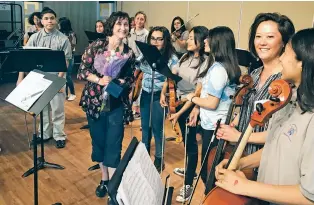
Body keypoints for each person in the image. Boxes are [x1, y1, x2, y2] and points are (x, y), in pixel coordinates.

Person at [215, 27, 314, 205]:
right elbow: (274, 147)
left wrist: (242, 186)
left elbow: (309, 196)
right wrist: (240, 163)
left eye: (287, 53)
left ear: (303, 62)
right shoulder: (288, 100)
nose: (282, 58)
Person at [216, 13, 295, 155]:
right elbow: (248, 107)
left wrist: (239, 136)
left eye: (270, 37)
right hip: (240, 150)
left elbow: (284, 131)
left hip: (264, 156)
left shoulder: (287, 81)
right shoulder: (254, 74)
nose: (262, 42)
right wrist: (232, 125)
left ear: (284, 41)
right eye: (258, 36)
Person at [77, 11, 135, 202]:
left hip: (116, 104)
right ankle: (104, 178)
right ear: (112, 26)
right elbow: (82, 71)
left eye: (126, 24)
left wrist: (118, 81)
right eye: (119, 24)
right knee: (99, 143)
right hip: (94, 102)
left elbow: (130, 78)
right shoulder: (96, 46)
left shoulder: (128, 52)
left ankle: (113, 188)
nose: (123, 28)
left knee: (114, 145)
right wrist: (100, 80)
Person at [186, 26, 241, 192]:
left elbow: (211, 103)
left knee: (208, 173)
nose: (205, 41)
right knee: (210, 170)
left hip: (215, 126)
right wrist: (197, 108)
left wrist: (192, 98)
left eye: (208, 38)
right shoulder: (222, 65)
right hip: (216, 124)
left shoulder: (218, 69)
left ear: (218, 42)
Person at [160, 26, 208, 202]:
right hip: (178, 101)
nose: (187, 40)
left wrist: (179, 113)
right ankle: (190, 170)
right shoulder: (184, 57)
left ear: (201, 41)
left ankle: (188, 185)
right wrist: (163, 91)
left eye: (191, 38)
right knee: (187, 145)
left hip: (190, 106)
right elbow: (172, 75)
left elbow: (197, 94)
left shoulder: (205, 63)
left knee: (192, 146)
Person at [17, 7, 72, 149]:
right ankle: (45, 134)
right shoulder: (35, 37)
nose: (49, 21)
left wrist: (60, 81)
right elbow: (25, 58)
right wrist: (20, 78)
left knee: (57, 108)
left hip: (56, 76)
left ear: (56, 20)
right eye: (46, 18)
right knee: (43, 108)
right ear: (41, 21)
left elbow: (65, 61)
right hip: (39, 78)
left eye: (52, 18)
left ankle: (59, 135)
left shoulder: (63, 38)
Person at [138, 26, 178, 172]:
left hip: (159, 96)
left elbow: (174, 75)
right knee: (145, 129)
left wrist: (166, 87)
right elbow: (136, 65)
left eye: (159, 39)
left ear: (165, 40)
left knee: (157, 128)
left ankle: (159, 159)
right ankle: (144, 156)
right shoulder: (146, 54)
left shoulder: (171, 57)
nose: (155, 42)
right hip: (145, 93)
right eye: (153, 38)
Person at [128, 11, 149, 120]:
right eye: (138, 18)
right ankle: (132, 108)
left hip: (142, 63)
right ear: (134, 20)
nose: (139, 21)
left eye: (142, 19)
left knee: (139, 86)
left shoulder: (146, 34)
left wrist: (137, 62)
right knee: (131, 85)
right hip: (131, 62)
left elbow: (146, 51)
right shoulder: (130, 32)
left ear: (144, 21)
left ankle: (139, 110)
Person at [59, 17, 77, 101]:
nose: (58, 25)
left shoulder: (72, 34)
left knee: (68, 76)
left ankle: (73, 93)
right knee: (63, 76)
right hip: (60, 57)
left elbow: (72, 46)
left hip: (69, 57)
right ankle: (65, 94)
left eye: (60, 23)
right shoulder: (59, 34)